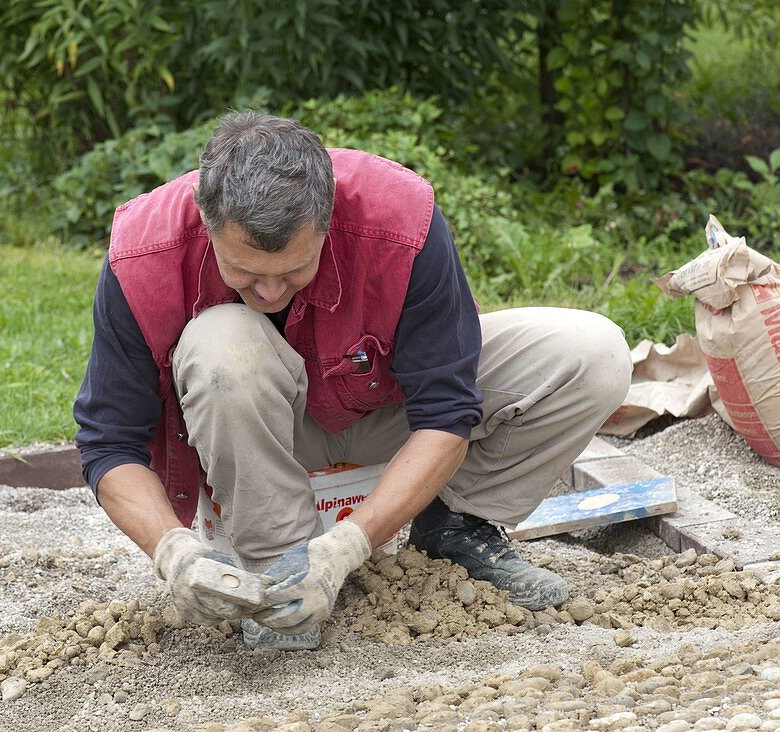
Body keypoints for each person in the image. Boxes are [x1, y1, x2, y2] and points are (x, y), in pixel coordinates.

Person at [74, 111, 632, 650]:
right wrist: (173, 551)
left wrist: (345, 548)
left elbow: (447, 411)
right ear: (207, 219)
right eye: (244, 271)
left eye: (294, 270)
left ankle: (456, 530)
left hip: (382, 412)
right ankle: (276, 574)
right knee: (223, 345)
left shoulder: (400, 221)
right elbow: (109, 442)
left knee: (591, 353)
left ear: (328, 217)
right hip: (247, 433)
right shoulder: (144, 253)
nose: (270, 292)